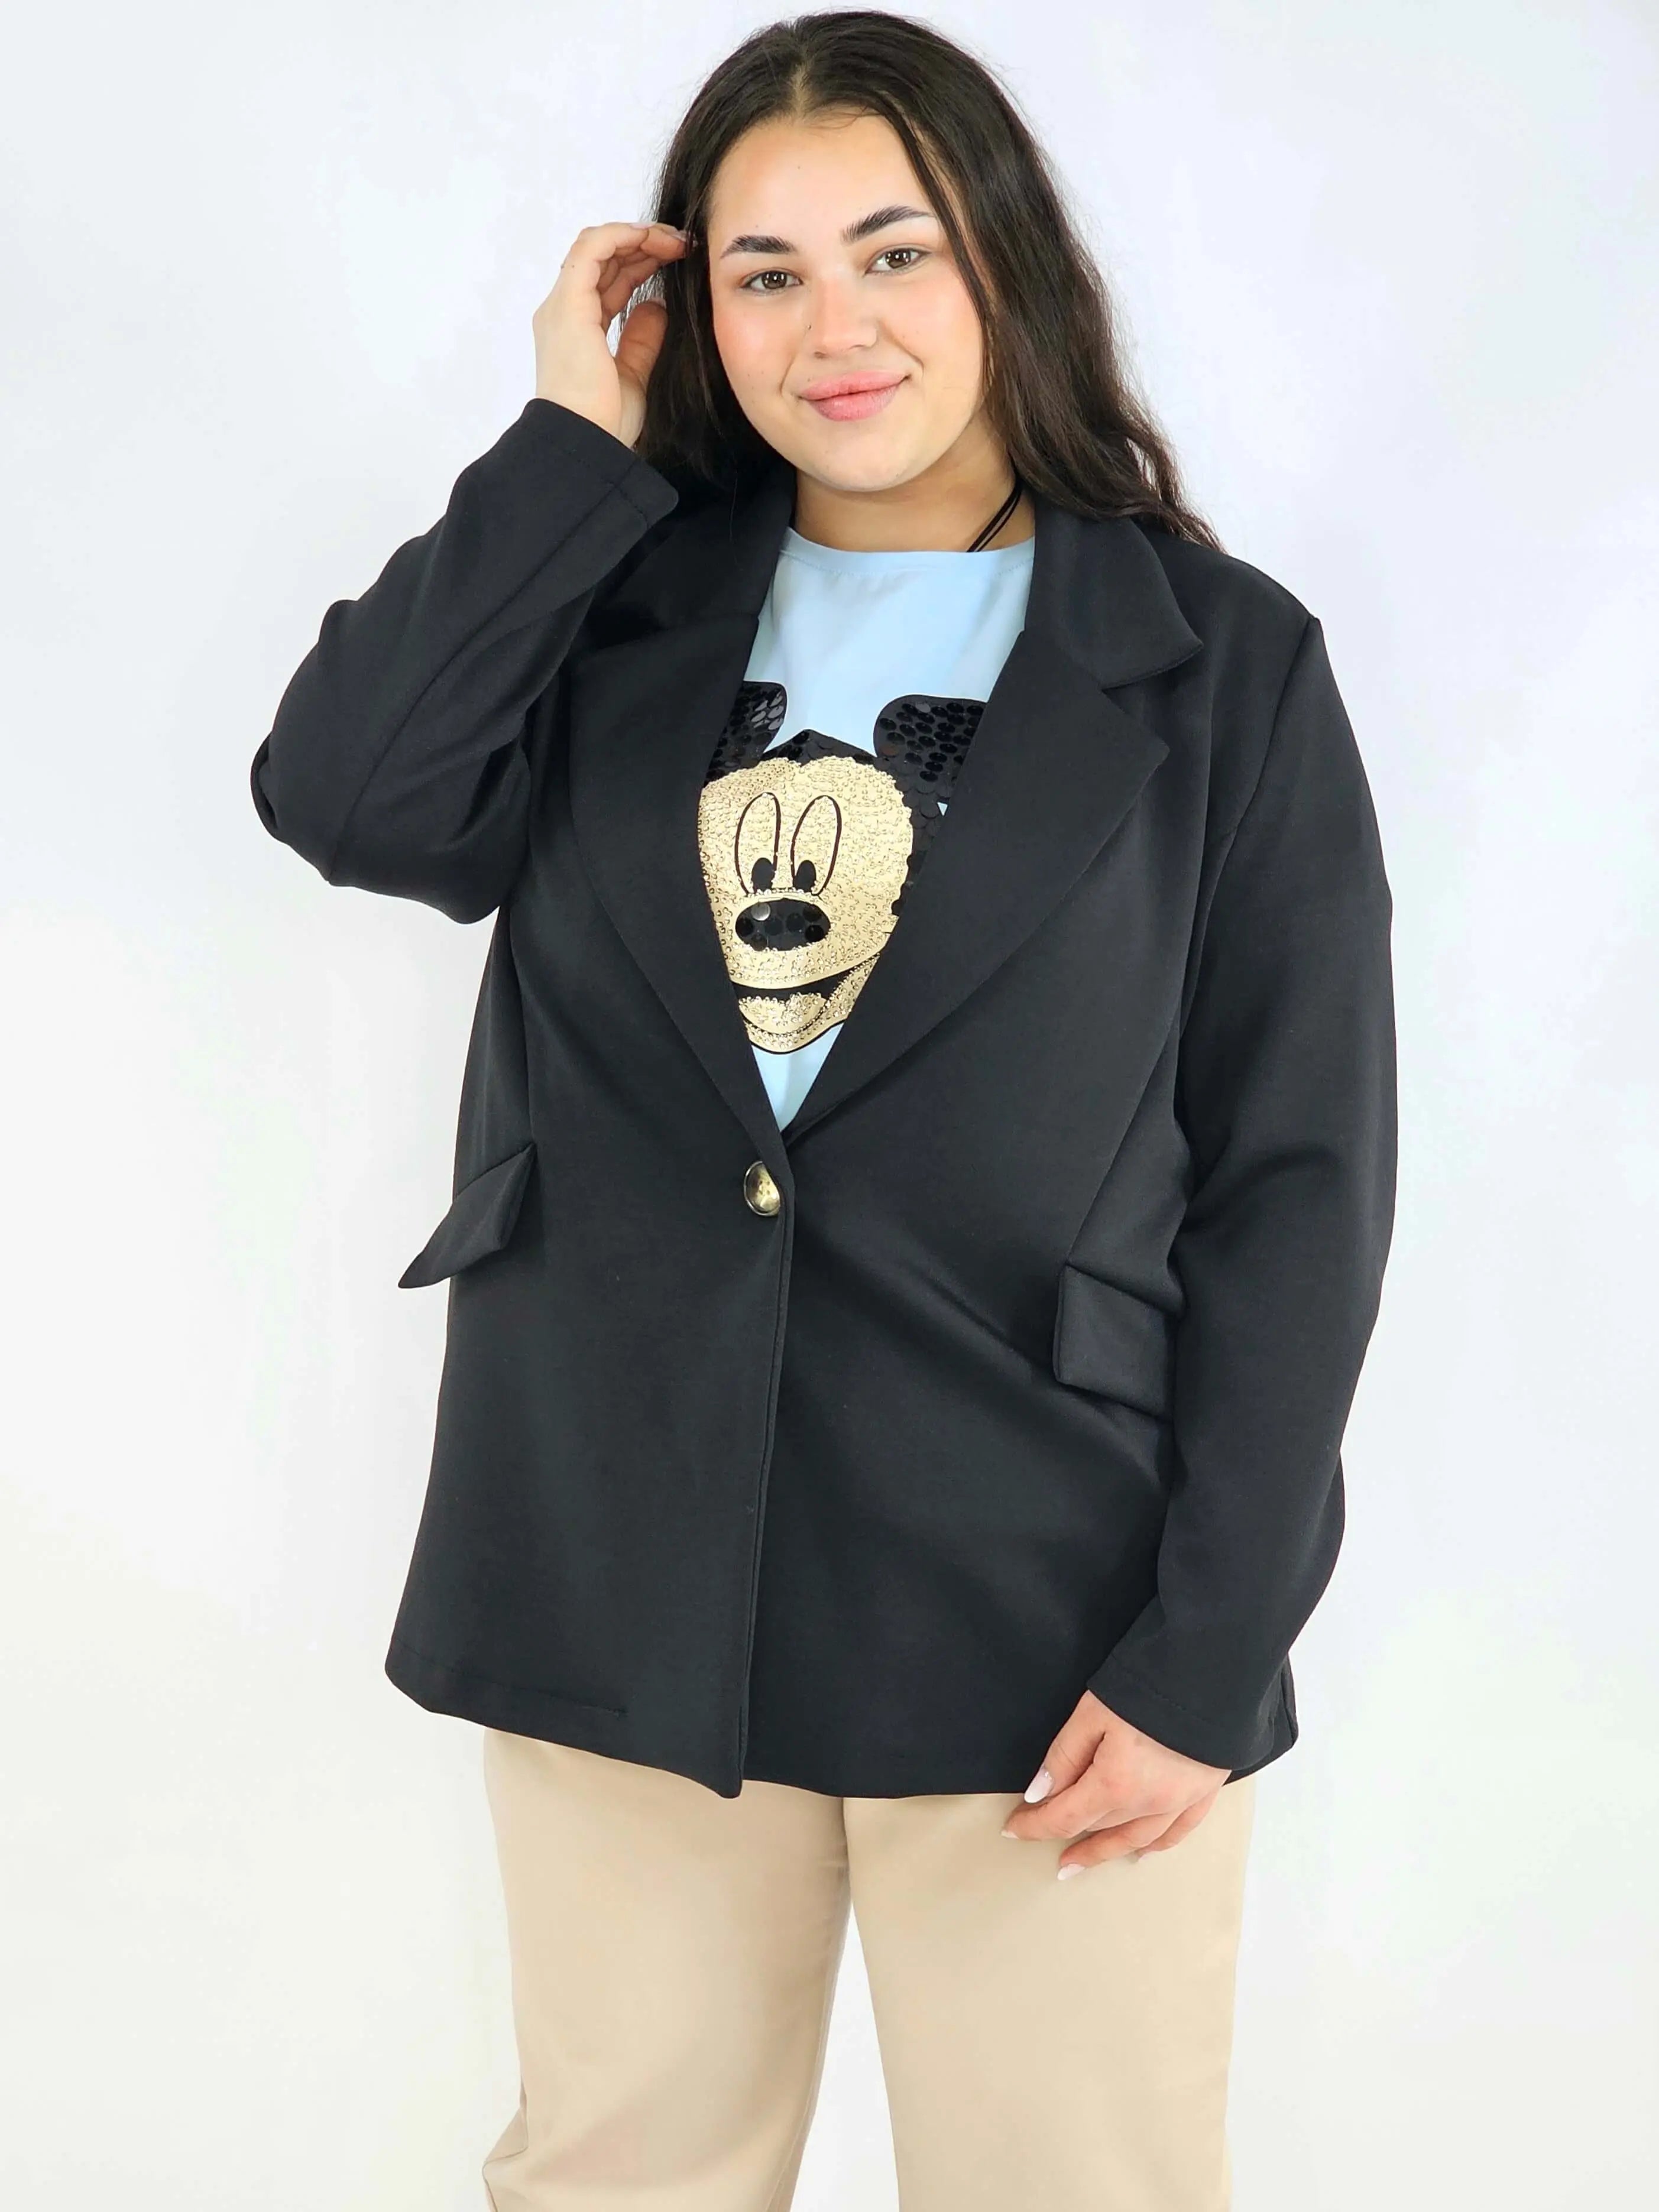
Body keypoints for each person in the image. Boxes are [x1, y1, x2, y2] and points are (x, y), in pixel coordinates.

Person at [250, 12, 1396, 2208]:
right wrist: (569, 449)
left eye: (895, 253)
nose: (834, 328)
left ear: (1005, 262)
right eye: (765, 274)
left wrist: (1213, 1642)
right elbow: (352, 797)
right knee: (621, 2175)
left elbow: (1299, 1181)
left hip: (1049, 1603)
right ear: (694, 311)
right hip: (619, 1555)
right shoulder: (612, 597)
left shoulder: (1220, 661)